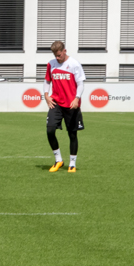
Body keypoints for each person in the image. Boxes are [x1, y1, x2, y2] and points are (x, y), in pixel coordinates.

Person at [43, 40, 85, 173]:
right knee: (50, 130)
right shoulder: (51, 64)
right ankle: (58, 160)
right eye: (55, 55)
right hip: (56, 103)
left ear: (65, 51)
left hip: (71, 104)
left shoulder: (74, 64)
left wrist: (77, 98)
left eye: (59, 55)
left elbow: (80, 84)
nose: (57, 58)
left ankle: (72, 163)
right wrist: (46, 95)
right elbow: (47, 81)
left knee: (72, 134)